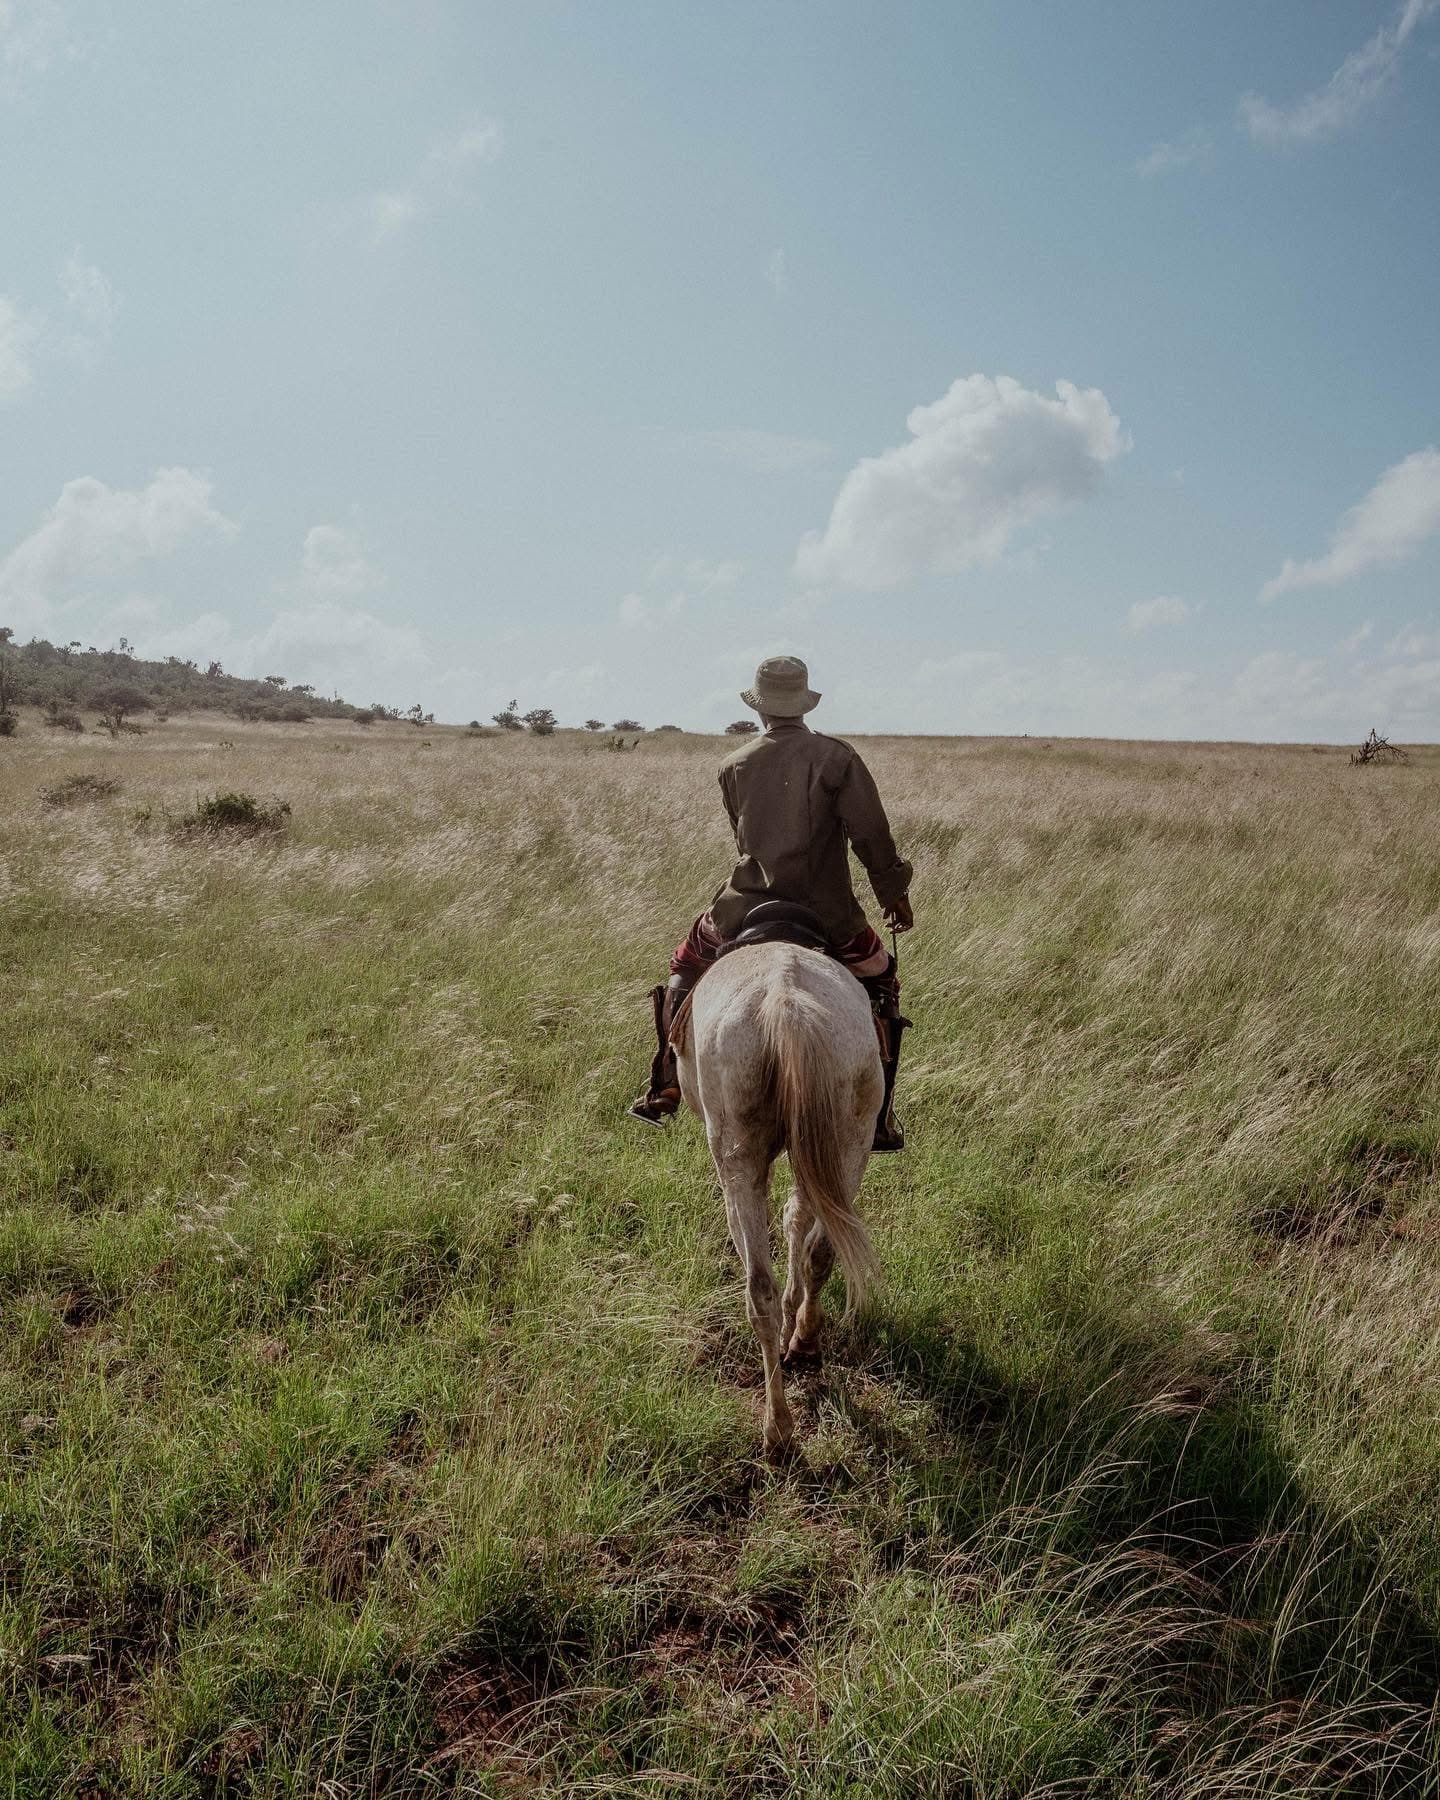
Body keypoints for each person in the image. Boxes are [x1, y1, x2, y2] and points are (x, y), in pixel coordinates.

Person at [628, 655, 915, 1151]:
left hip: (745, 905)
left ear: (759, 707)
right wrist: (893, 895)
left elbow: (743, 836)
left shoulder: (734, 764)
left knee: (684, 964)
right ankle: (881, 1112)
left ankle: (665, 1082)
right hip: (829, 913)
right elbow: (870, 835)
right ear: (804, 703)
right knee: (881, 973)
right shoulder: (838, 758)